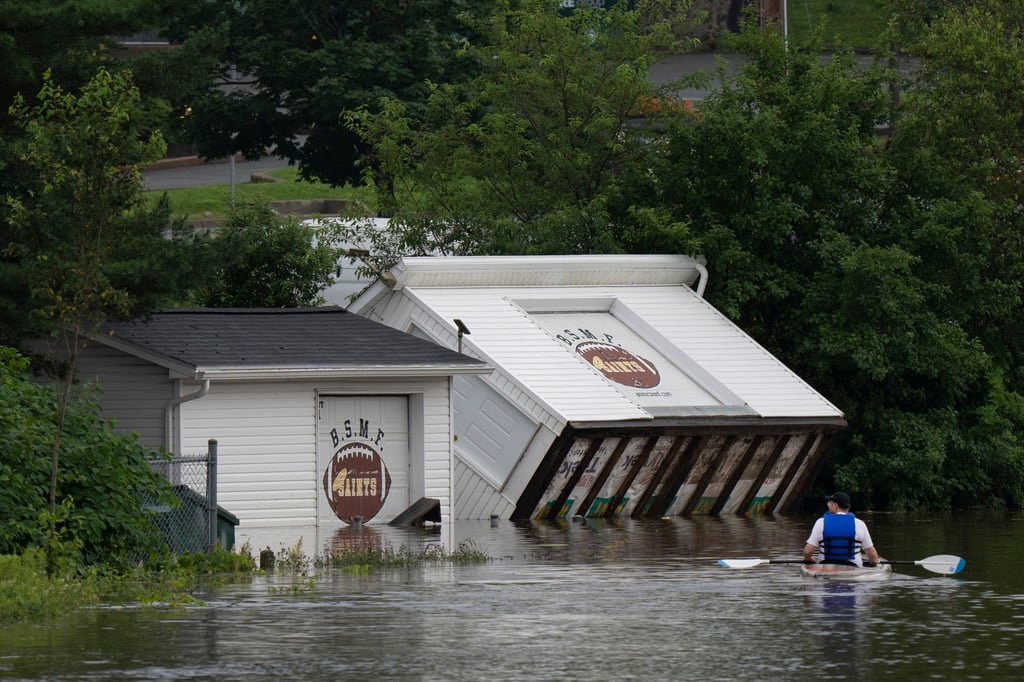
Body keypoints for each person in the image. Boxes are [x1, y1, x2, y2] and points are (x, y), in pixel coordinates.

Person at [803, 492, 885, 567]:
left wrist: (809, 560)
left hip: (825, 568)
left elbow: (807, 551)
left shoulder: (821, 522)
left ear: (835, 506)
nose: (828, 505)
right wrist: (875, 561)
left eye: (829, 503)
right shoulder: (860, 524)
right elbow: (871, 553)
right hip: (853, 568)